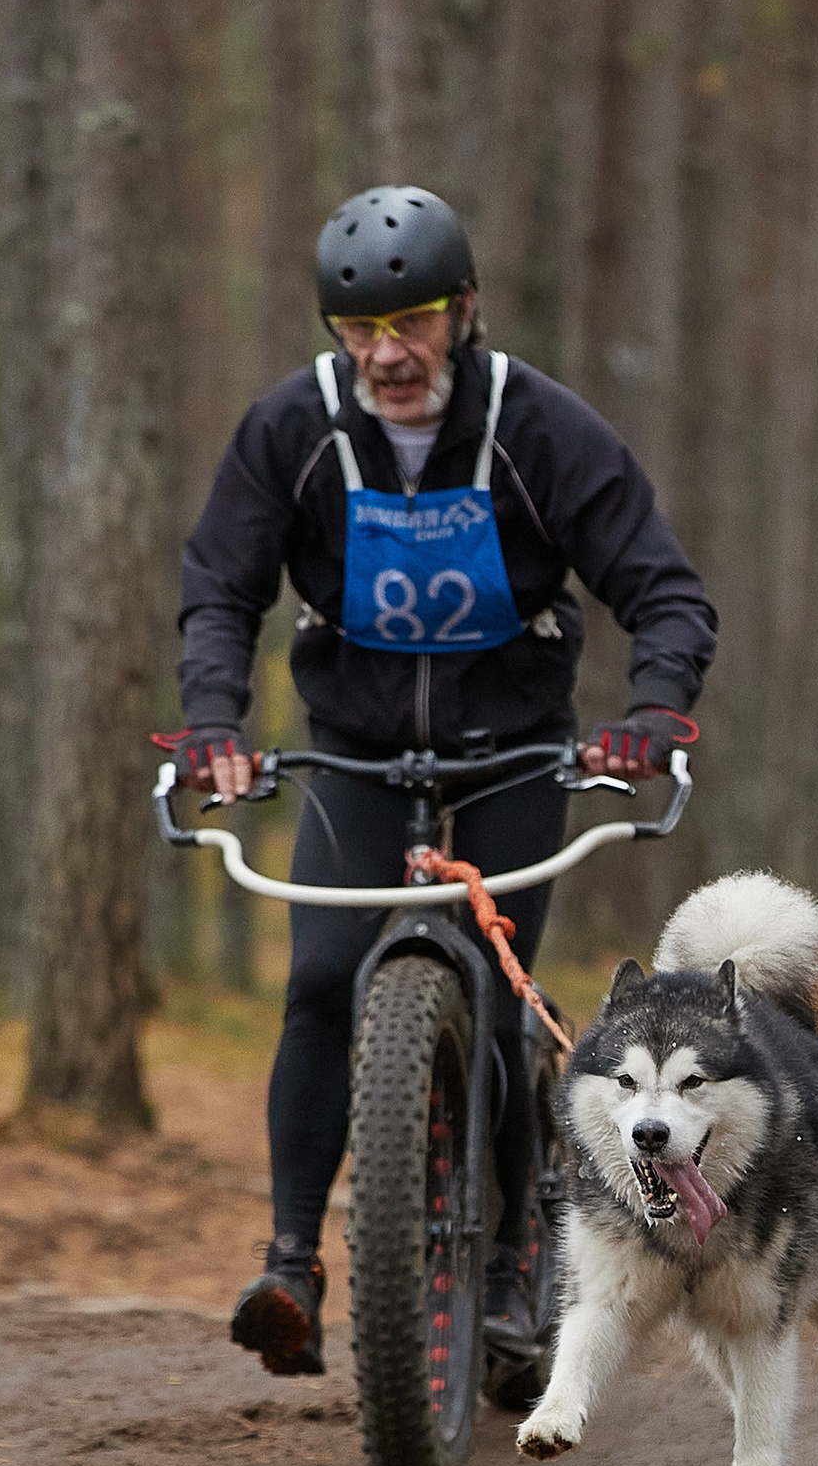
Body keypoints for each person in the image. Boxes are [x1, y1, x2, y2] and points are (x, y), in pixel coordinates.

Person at [172, 185, 717, 1382]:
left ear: (460, 312)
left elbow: (660, 588)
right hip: (353, 748)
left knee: (498, 990)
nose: (386, 353)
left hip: (517, 745)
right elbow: (220, 587)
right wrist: (213, 723)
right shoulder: (292, 430)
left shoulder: (539, 427)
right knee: (321, 982)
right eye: (359, 329)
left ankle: (522, 1265)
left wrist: (648, 713)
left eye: (411, 322)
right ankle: (291, 1265)